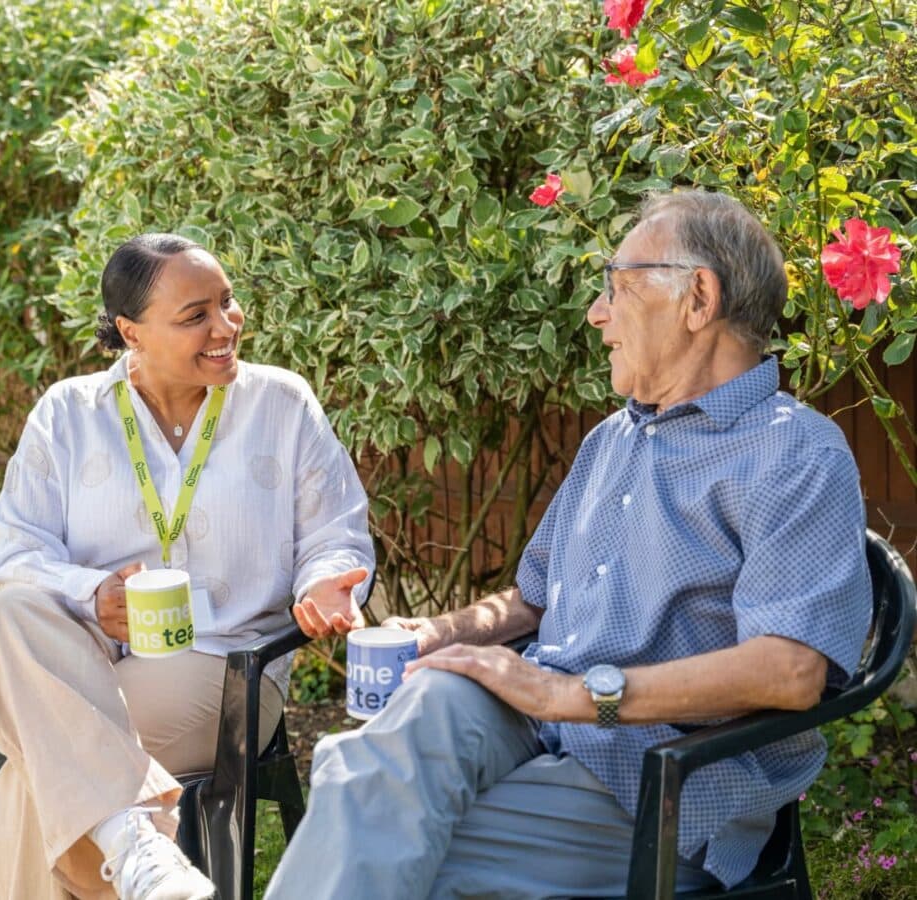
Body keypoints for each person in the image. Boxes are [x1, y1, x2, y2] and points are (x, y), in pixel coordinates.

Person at [264, 190, 873, 899]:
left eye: (617, 286)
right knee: (381, 761)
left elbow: (789, 671)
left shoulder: (794, 454)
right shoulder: (613, 439)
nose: (596, 313)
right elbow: (533, 598)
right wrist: (437, 632)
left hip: (663, 775)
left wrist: (572, 694)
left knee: (391, 842)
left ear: (698, 298)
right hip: (539, 720)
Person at [0, 233, 375, 900]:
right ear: (131, 331)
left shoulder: (281, 403)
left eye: (227, 302)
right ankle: (137, 852)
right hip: (84, 660)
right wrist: (90, 593)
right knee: (10, 609)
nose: (225, 326)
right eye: (196, 316)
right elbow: (15, 553)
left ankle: (135, 845)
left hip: (225, 670)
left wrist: (324, 581)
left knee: (35, 776)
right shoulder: (67, 415)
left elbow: (334, 534)